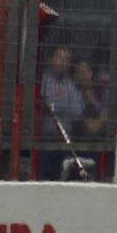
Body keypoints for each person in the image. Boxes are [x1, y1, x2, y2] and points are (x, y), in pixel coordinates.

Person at [40, 45, 84, 180]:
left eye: (66, 59)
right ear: (51, 59)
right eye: (59, 58)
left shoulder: (70, 85)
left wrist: (54, 108)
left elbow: (78, 112)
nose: (62, 63)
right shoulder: (43, 81)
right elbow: (42, 104)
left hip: (65, 144)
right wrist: (62, 107)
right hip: (43, 143)